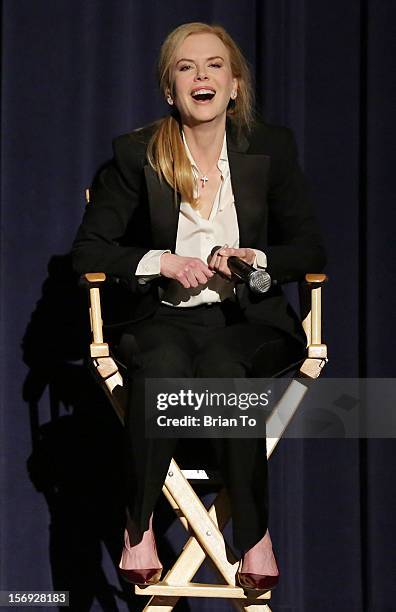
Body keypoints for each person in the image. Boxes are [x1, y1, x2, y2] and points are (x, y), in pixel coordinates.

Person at [72, 22, 326, 591]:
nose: (202, 76)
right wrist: (162, 261)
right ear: (170, 89)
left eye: (214, 65)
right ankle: (139, 526)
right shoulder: (138, 153)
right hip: (162, 318)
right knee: (160, 370)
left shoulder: (270, 148)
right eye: (186, 67)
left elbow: (310, 248)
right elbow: (88, 250)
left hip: (245, 322)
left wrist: (253, 256)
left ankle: (253, 534)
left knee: (223, 370)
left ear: (235, 84)